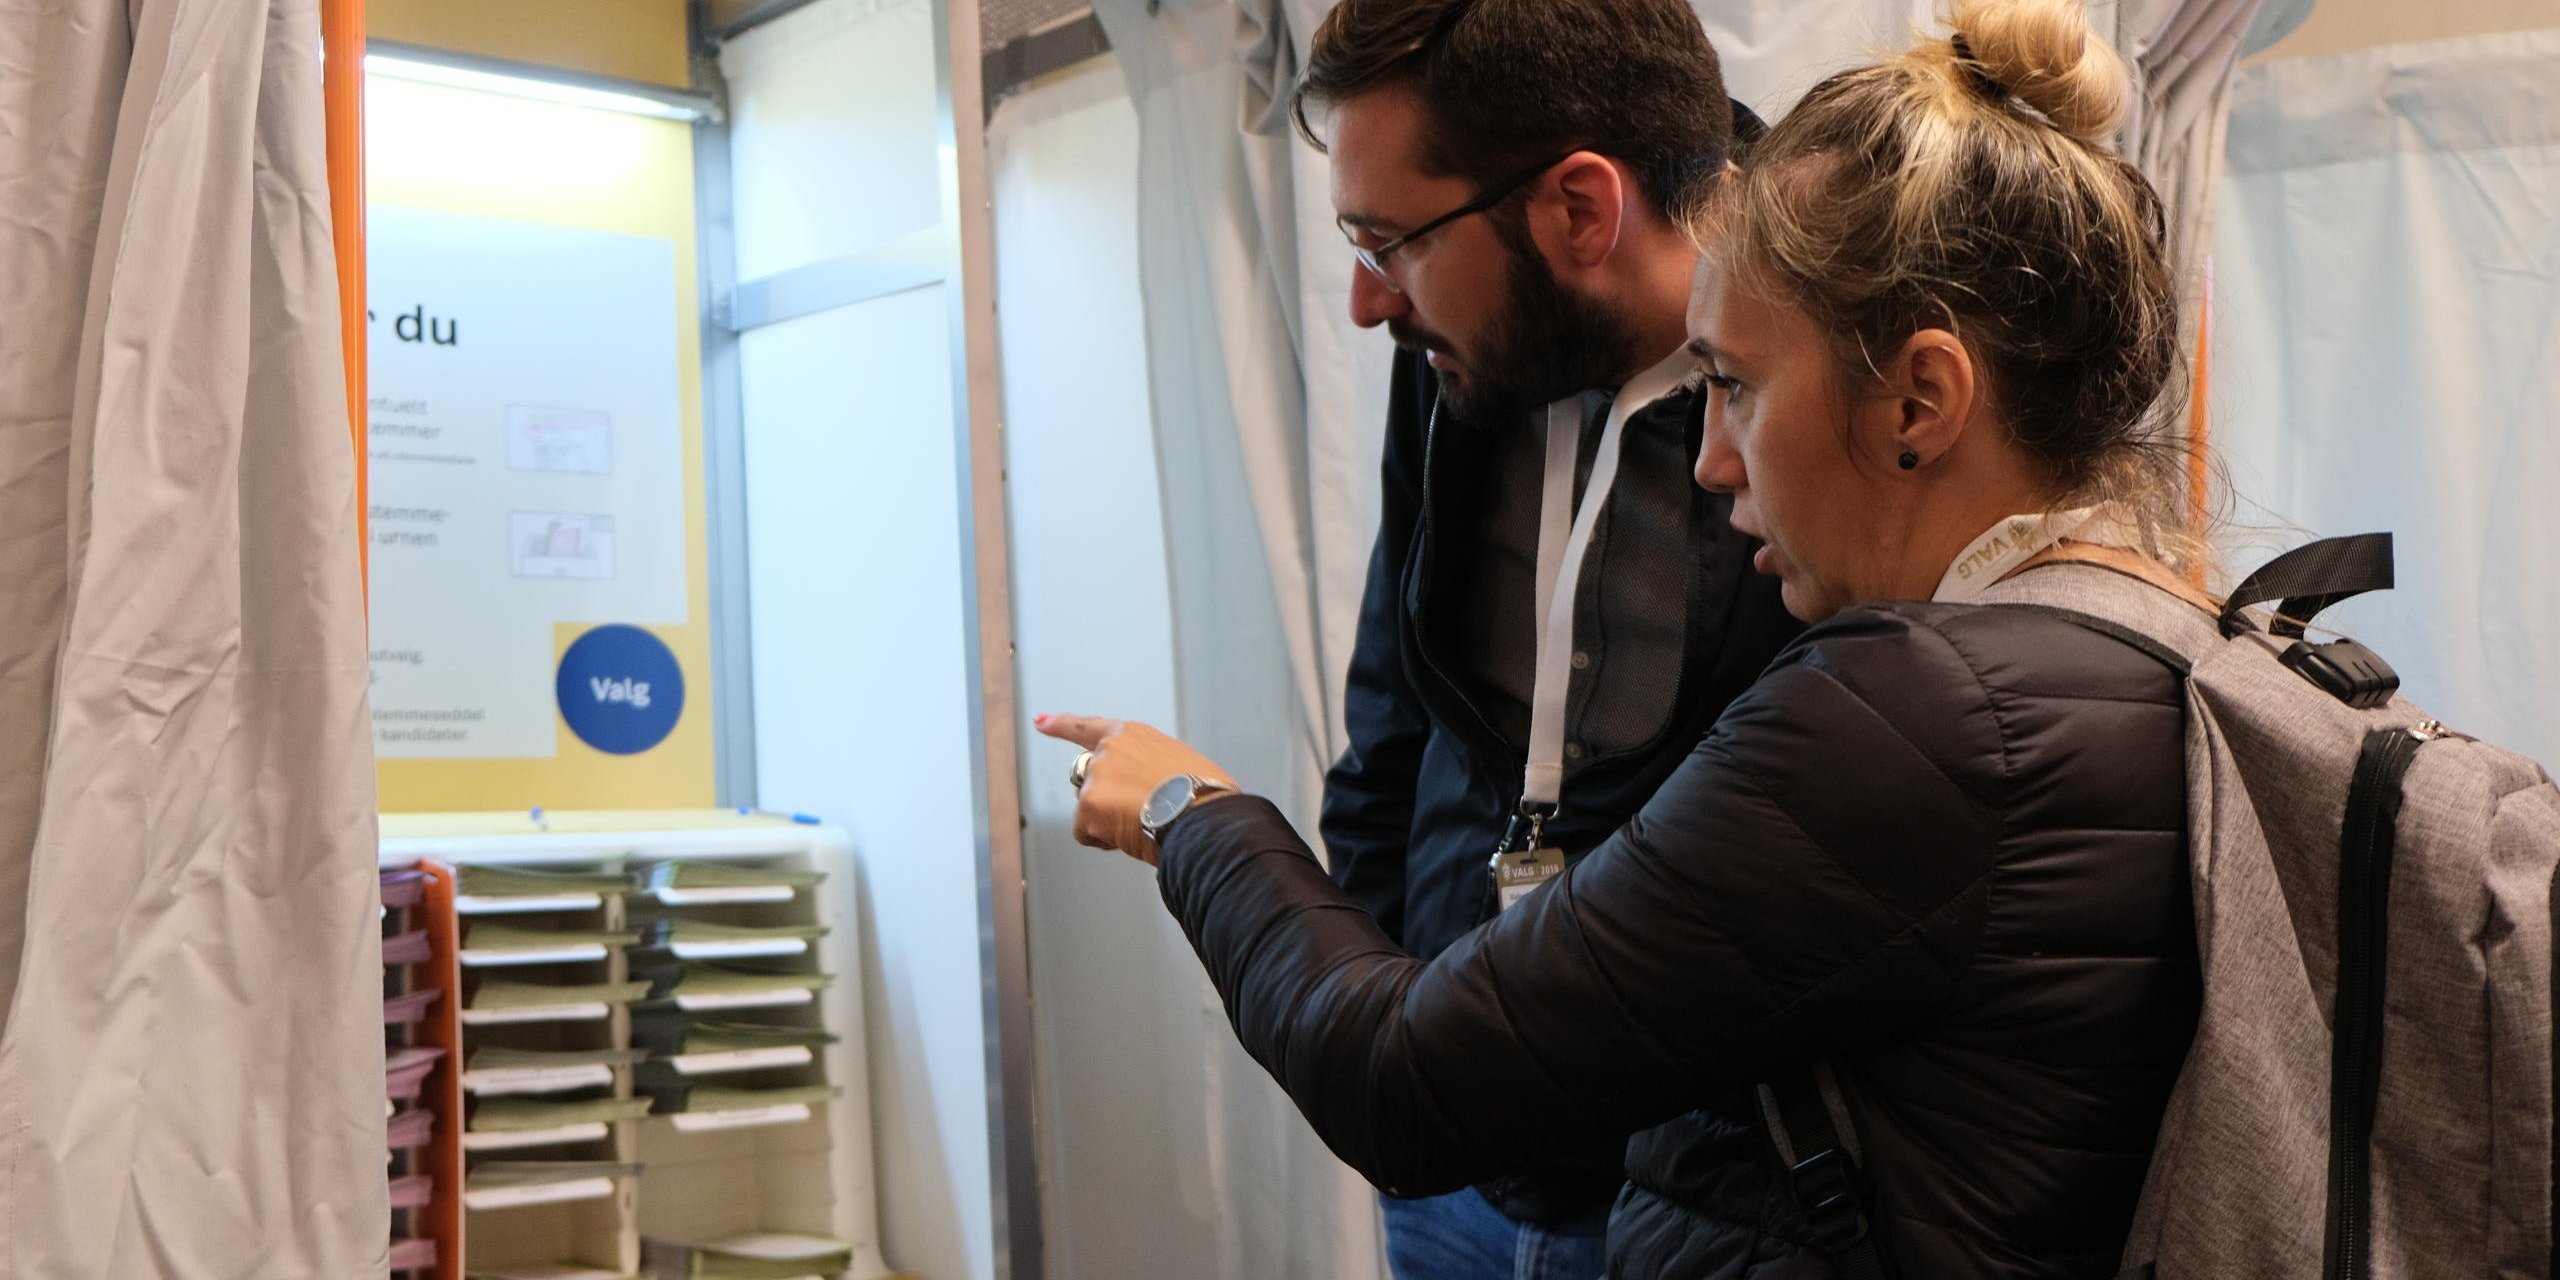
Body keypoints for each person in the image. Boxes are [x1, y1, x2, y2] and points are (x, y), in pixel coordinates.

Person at [1037, 0, 2215, 1274]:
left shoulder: (1899, 707)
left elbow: (1398, 1078)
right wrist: (1395, 959)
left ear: (1920, 402)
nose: (1714, 459)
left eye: (1737, 389)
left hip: (1621, 1127)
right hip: (1510, 1120)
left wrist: (1191, 811)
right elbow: (1396, 714)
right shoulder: (2154, 645)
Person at [1298, 0, 1803, 1272]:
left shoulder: (1820, 365)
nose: (1364, 299)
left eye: (1389, 242)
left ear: (1580, 209)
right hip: (1449, 1155)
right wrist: (1383, 1004)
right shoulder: (1459, 344)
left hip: (1684, 1194)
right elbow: (1395, 705)